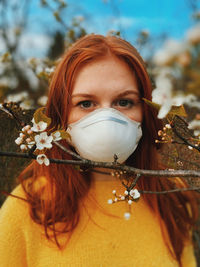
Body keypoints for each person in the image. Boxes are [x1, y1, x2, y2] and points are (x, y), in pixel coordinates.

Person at [0, 34, 199, 267]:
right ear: (61, 115)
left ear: (146, 111)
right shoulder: (29, 207)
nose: (107, 118)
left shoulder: (172, 197)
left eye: (124, 102)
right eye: (86, 104)